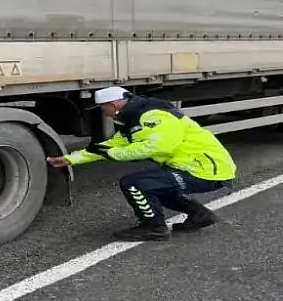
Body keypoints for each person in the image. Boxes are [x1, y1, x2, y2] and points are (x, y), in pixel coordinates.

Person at [47, 86, 236, 242]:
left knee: (134, 183)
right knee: (156, 186)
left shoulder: (154, 116)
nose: (103, 113)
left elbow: (156, 146)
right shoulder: (132, 118)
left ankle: (154, 228)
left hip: (206, 170)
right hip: (192, 167)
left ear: (113, 105)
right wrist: (70, 159)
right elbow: (106, 147)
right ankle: (200, 215)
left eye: (102, 108)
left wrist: (113, 154)